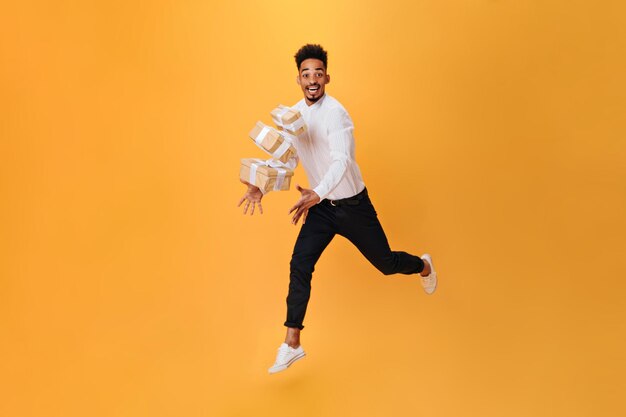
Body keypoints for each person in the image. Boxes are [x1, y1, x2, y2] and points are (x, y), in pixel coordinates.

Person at [237, 44, 438, 374]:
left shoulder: (337, 115)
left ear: (326, 77)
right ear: (298, 79)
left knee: (386, 264)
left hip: (353, 206)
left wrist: (317, 190)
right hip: (321, 208)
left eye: (318, 73)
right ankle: (292, 343)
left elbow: (343, 162)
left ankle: (423, 266)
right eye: (306, 74)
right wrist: (260, 184)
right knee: (300, 263)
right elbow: (285, 157)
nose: (312, 79)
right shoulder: (293, 115)